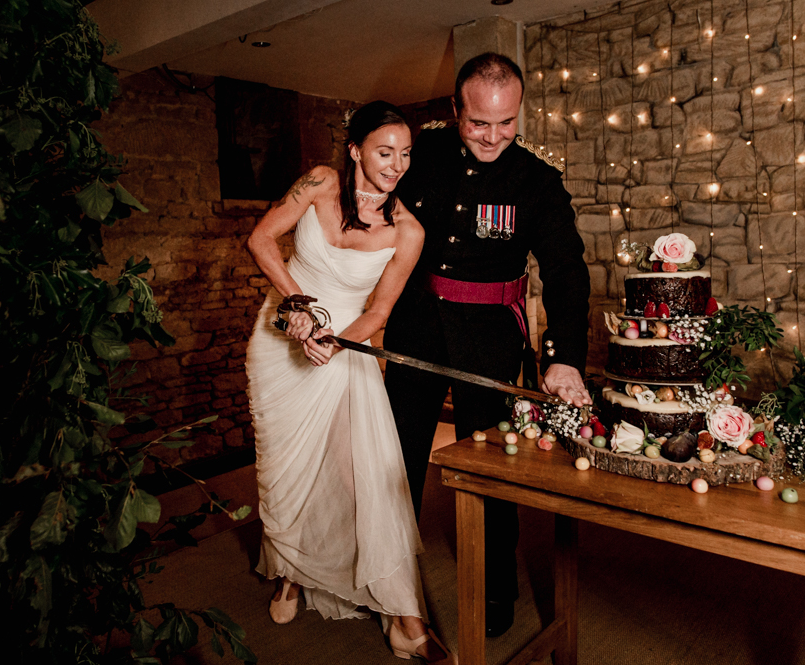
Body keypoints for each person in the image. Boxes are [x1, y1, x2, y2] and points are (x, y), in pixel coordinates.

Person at [383, 53, 593, 638]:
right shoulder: (419, 154)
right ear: (456, 111)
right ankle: (388, 587)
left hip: (491, 339)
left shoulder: (537, 181)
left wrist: (565, 358)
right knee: (394, 463)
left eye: (507, 123)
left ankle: (497, 588)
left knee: (493, 475)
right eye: (479, 123)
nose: (493, 137)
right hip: (415, 326)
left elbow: (567, 272)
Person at [245, 101, 453, 663]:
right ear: (356, 148)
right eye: (386, 152)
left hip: (346, 350)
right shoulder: (317, 183)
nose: (397, 165)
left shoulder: (407, 230)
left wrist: (334, 341)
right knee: (286, 469)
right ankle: (291, 572)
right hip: (279, 344)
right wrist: (298, 308)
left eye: (405, 155)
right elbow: (262, 242)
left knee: (360, 475)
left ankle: (404, 617)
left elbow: (378, 312)